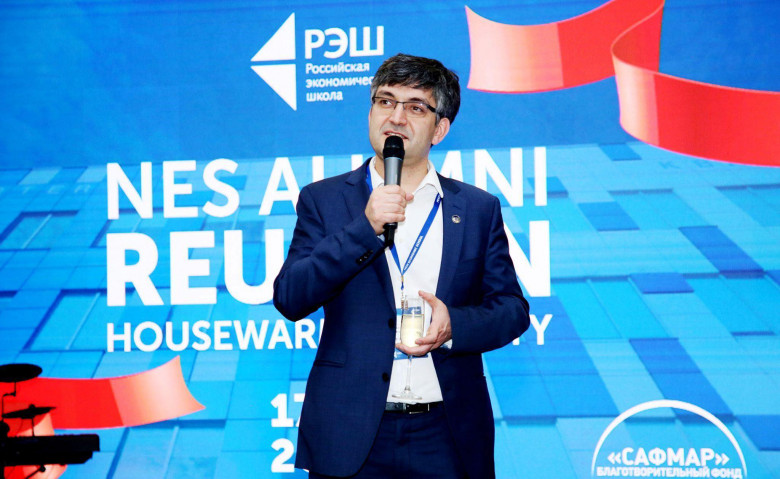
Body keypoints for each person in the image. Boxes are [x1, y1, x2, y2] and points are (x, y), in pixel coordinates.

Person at [273, 53, 530, 479]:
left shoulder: (476, 208)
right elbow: (290, 297)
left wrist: (455, 325)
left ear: (440, 129)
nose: (395, 117)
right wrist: (365, 228)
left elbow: (512, 310)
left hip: (446, 433)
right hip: (351, 432)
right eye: (385, 101)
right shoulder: (324, 200)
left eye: (415, 107)